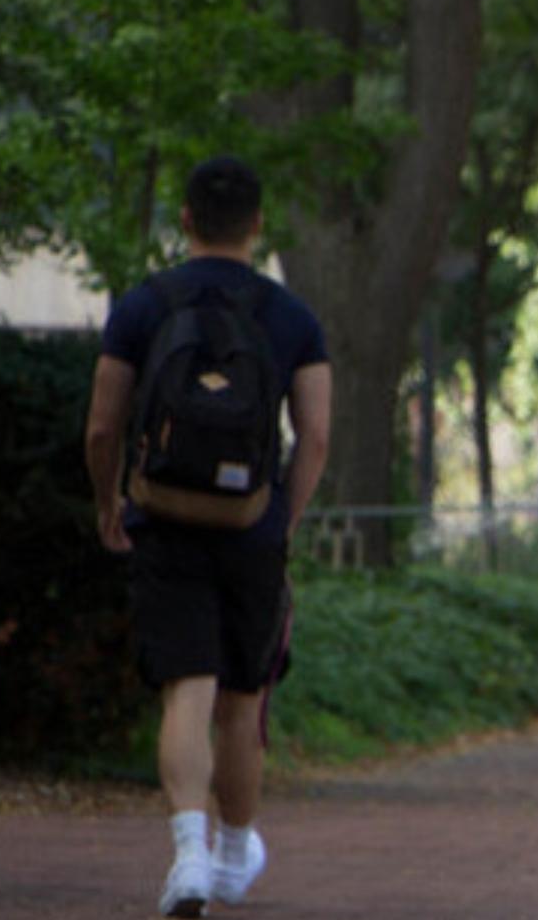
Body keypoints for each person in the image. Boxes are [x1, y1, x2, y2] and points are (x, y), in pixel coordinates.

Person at [84, 157, 332, 917]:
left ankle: (188, 851)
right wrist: (280, 517)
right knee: (241, 698)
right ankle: (232, 853)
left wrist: (110, 502)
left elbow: (102, 424)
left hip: (162, 521)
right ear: (258, 224)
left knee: (185, 690)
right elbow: (316, 436)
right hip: (250, 526)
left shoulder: (143, 305)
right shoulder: (291, 317)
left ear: (185, 219)